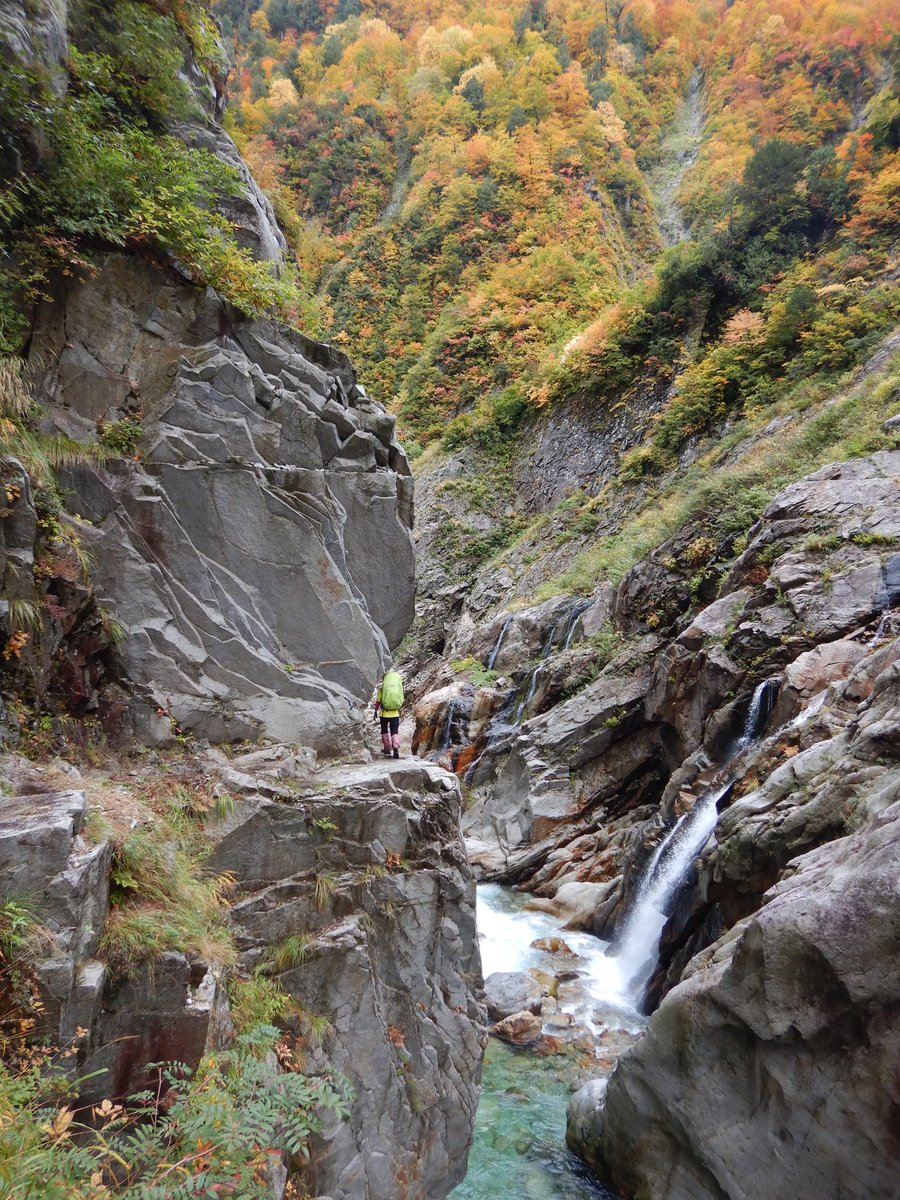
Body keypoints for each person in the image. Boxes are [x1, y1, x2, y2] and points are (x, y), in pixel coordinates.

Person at [375, 667, 404, 759]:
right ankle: (395, 748)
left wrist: (375, 711)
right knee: (394, 731)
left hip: (384, 714)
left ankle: (387, 749)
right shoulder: (398, 688)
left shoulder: (383, 688)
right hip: (395, 714)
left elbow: (378, 701)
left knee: (384, 730)